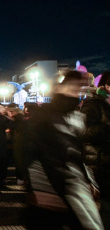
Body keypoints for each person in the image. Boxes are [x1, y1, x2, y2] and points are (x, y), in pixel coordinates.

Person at [24, 71, 103, 229]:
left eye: (79, 90)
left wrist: (88, 180)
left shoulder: (74, 117)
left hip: (73, 188)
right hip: (49, 192)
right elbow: (29, 153)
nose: (76, 94)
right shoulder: (42, 117)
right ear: (59, 88)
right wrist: (41, 189)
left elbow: (76, 153)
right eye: (72, 88)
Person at [80, 71, 110, 229]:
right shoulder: (93, 104)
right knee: (105, 210)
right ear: (107, 86)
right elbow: (83, 132)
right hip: (100, 166)